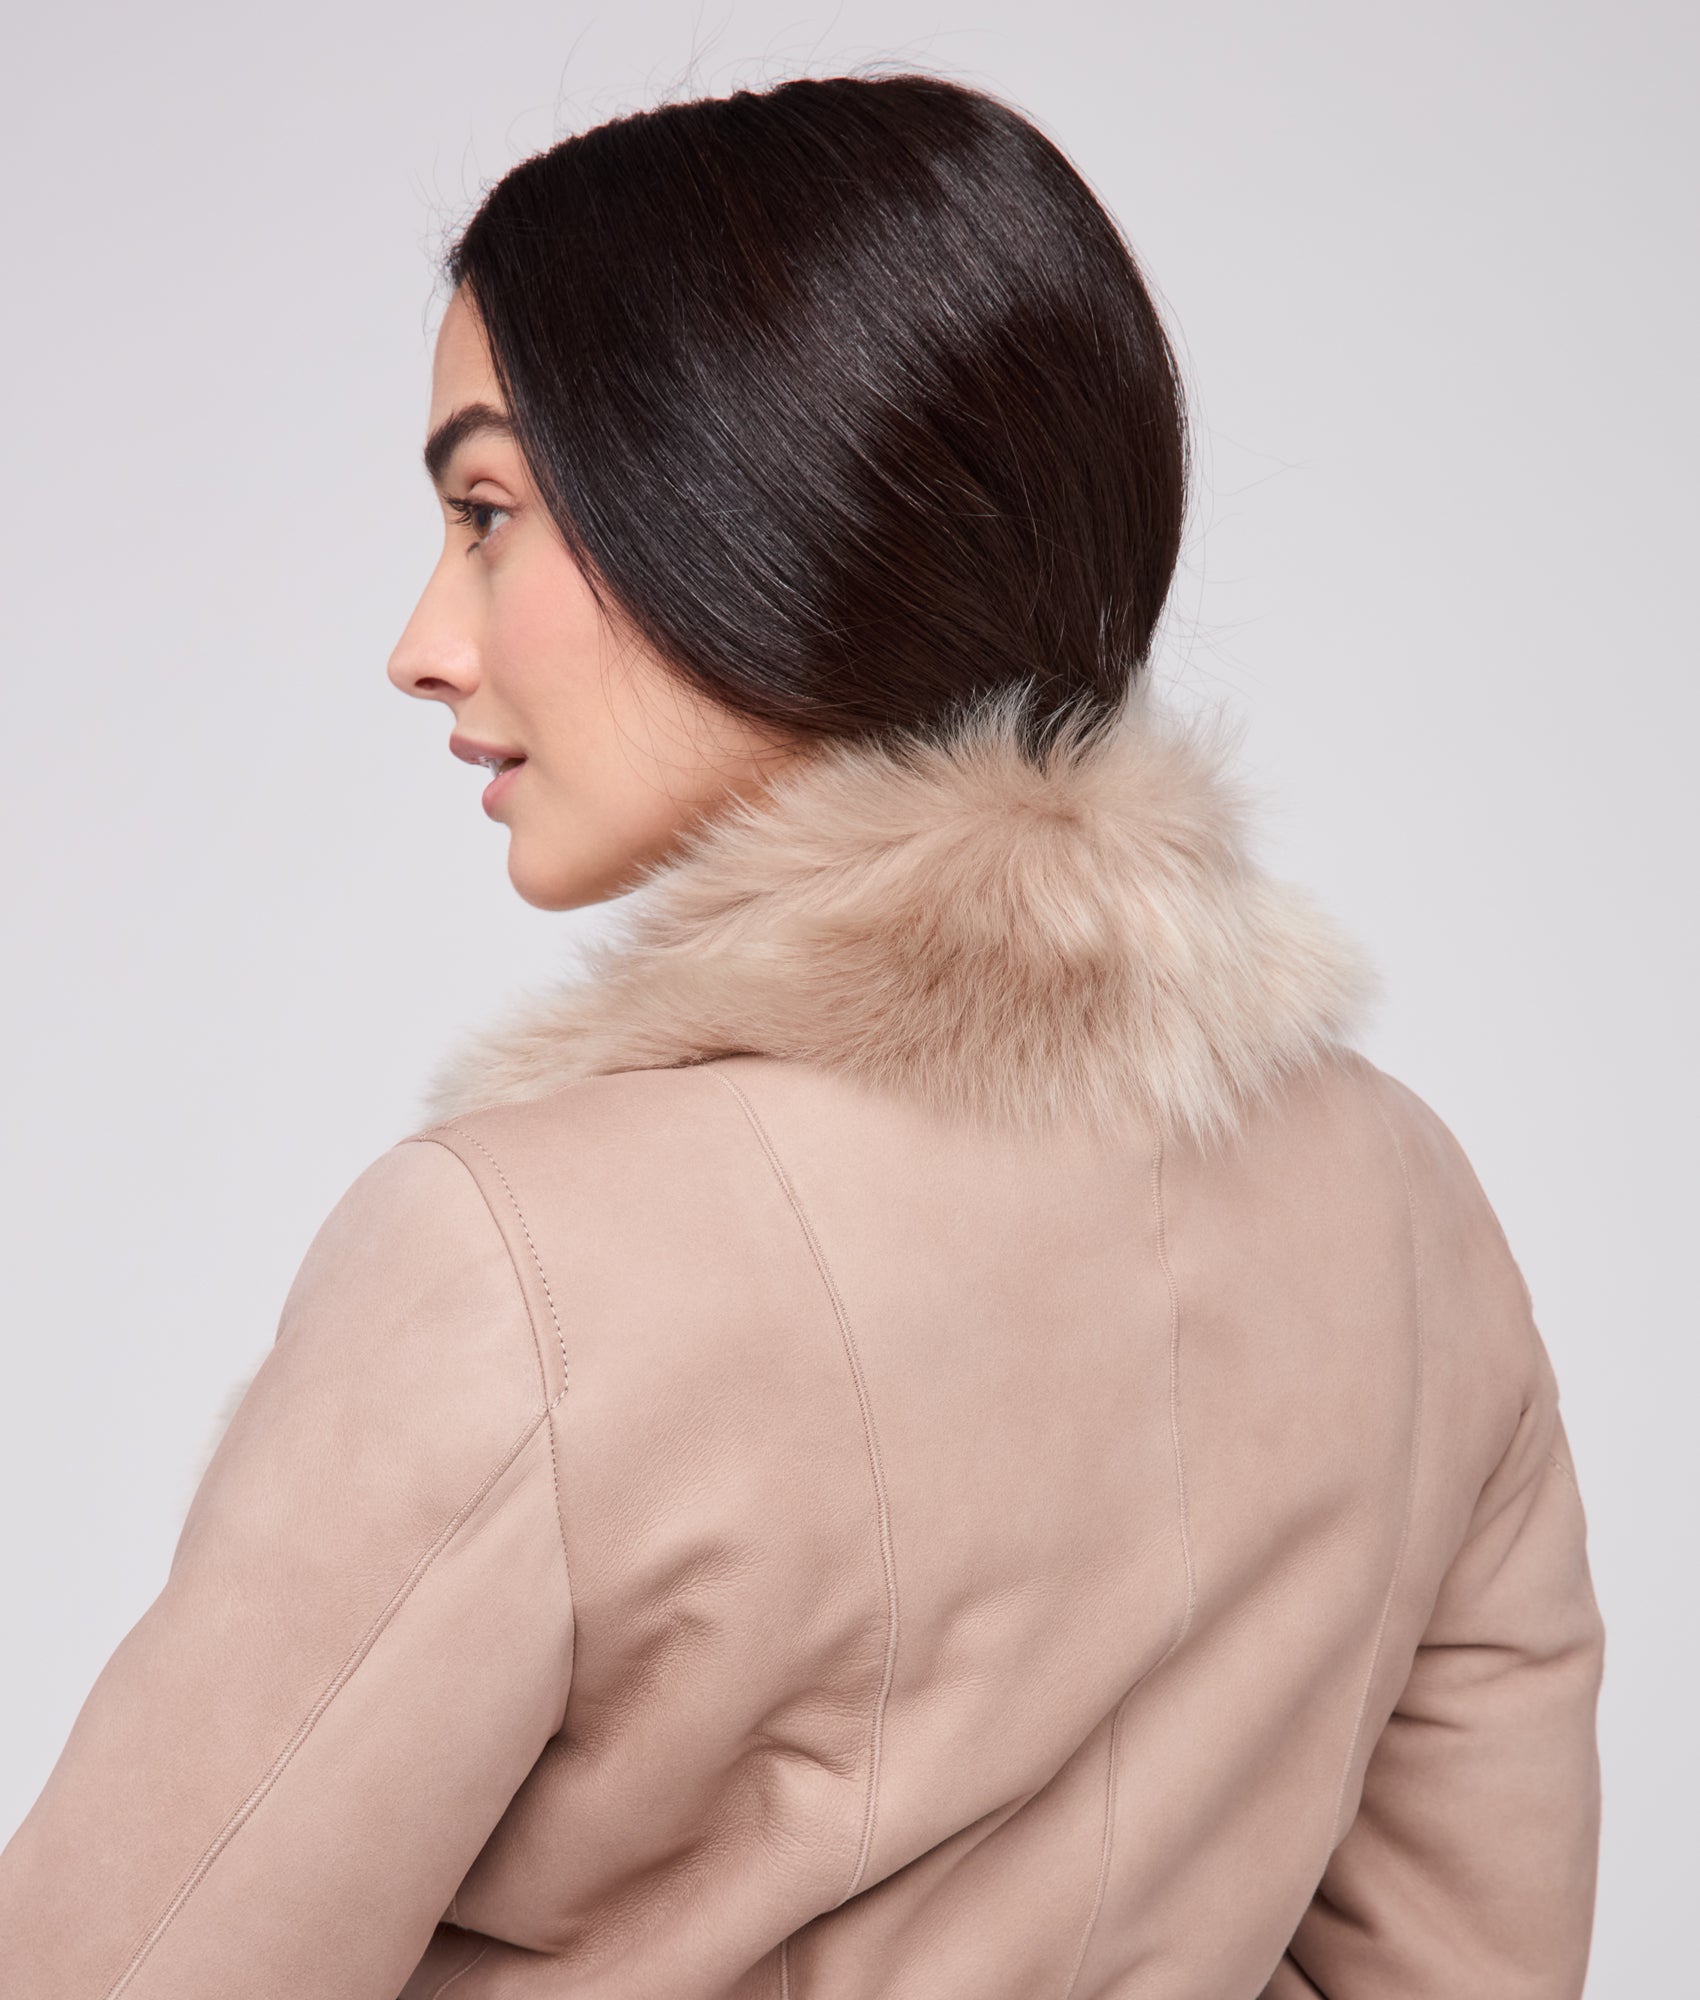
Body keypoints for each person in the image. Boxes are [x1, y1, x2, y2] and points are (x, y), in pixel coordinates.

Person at [0, 69, 1604, 2000]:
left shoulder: (518, 1275)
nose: (423, 641)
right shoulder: (1405, 1212)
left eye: (489, 512)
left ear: (763, 504)